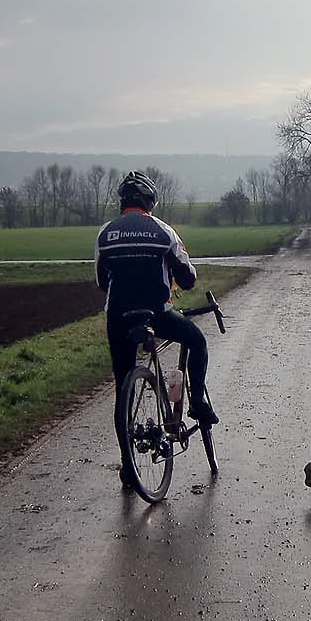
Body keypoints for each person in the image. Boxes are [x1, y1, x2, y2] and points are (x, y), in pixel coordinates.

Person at [96, 171, 217, 488]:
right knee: (197, 341)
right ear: (150, 201)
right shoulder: (163, 231)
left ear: (122, 203)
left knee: (123, 387)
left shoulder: (106, 233)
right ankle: (198, 404)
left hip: (119, 317)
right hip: (158, 313)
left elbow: (101, 281)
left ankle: (128, 468)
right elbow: (188, 278)